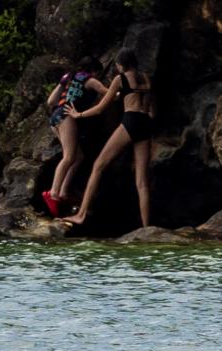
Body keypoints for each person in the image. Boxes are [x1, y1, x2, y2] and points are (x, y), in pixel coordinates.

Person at [61, 49, 154, 231]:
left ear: (121, 65)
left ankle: (81, 215)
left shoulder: (121, 79)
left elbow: (100, 108)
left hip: (131, 120)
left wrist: (78, 114)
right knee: (142, 181)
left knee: (98, 166)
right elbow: (152, 109)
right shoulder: (146, 78)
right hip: (146, 123)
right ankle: (147, 227)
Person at [40, 63, 111, 218]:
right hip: (66, 117)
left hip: (55, 117)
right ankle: (52, 194)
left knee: (78, 157)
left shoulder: (68, 78)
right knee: (69, 157)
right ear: (94, 71)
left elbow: (51, 101)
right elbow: (107, 93)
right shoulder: (90, 80)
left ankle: (63, 192)